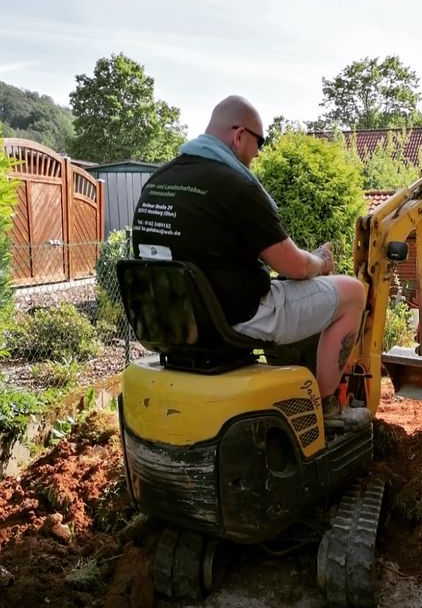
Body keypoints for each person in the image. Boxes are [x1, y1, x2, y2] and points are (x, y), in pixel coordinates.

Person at [131, 94, 369, 431]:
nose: (257, 154)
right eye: (259, 142)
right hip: (238, 318)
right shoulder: (235, 185)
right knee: (353, 293)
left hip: (174, 323)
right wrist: (321, 261)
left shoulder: (158, 181)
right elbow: (294, 267)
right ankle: (329, 409)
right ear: (239, 135)